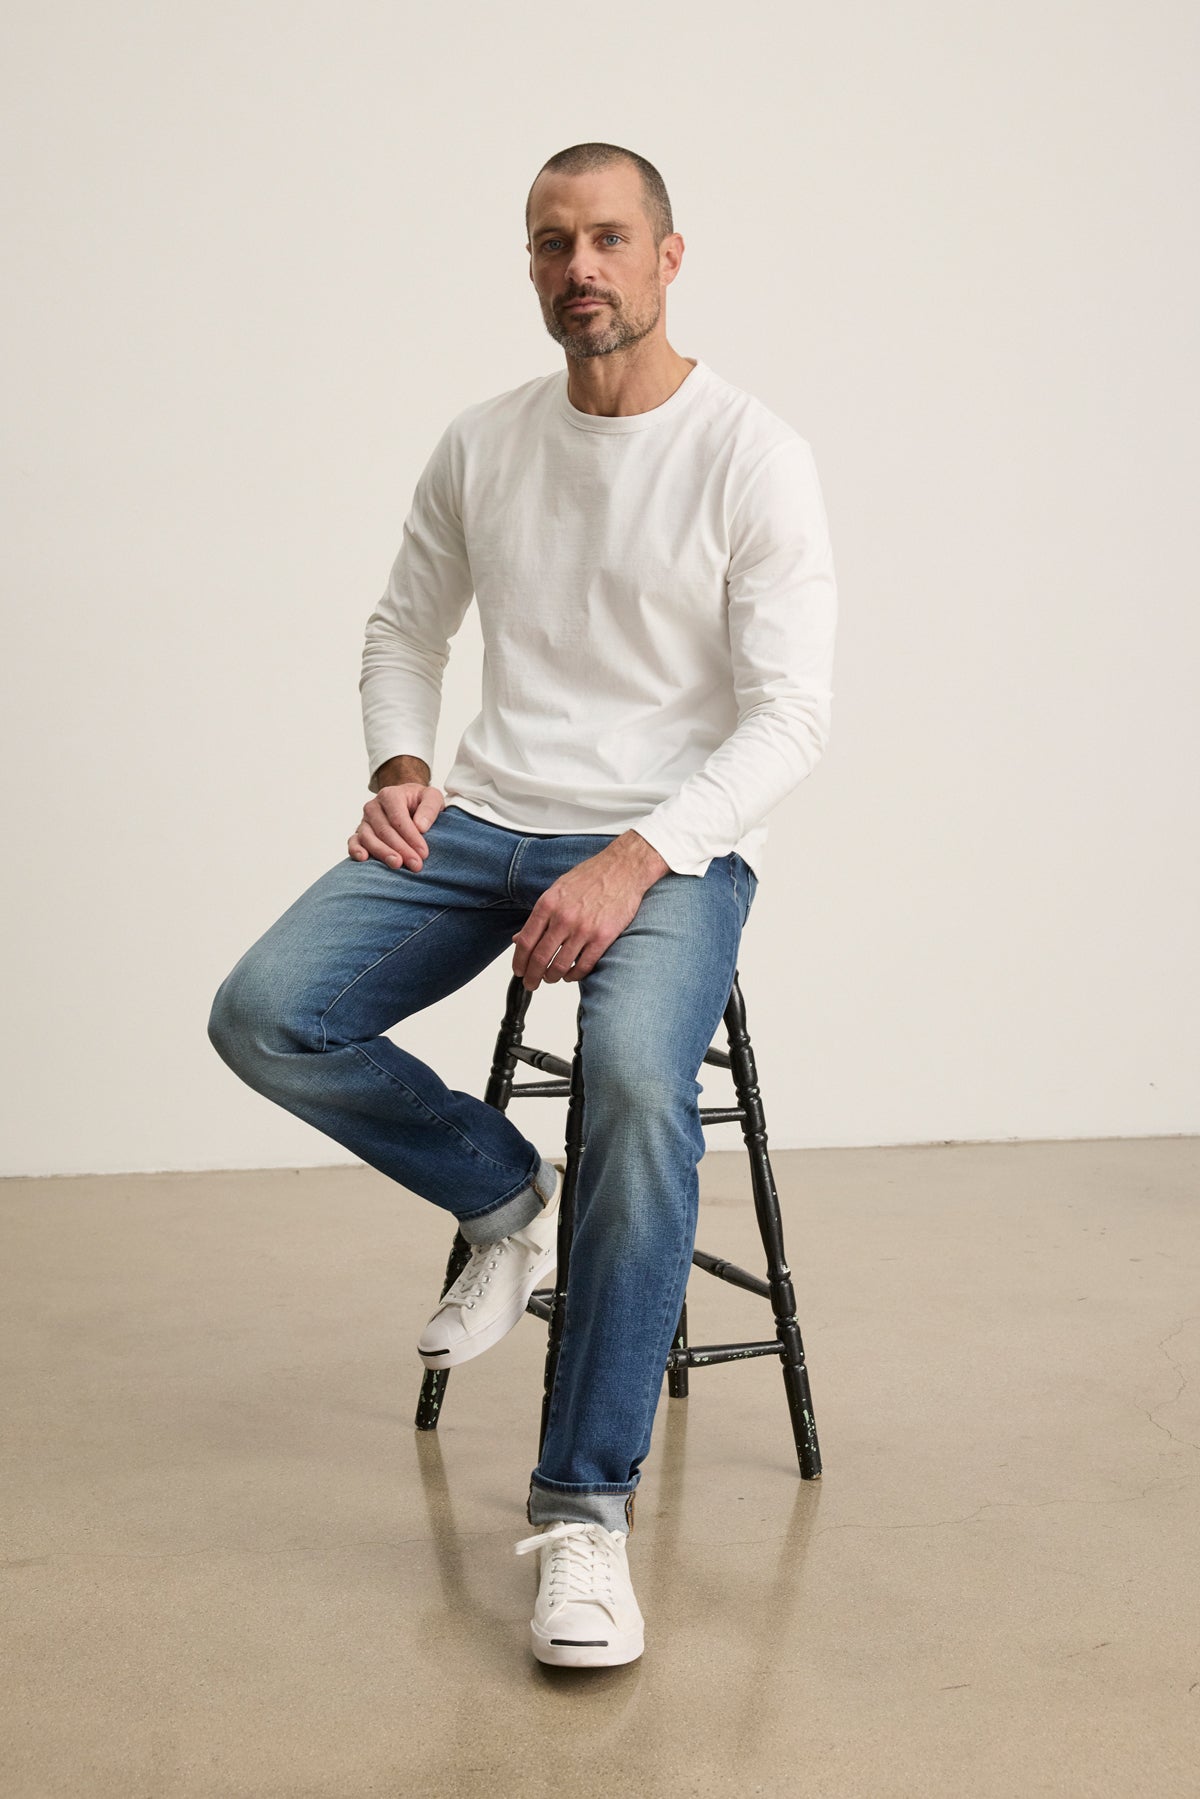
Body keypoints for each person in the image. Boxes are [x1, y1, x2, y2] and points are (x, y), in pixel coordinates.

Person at [207, 140, 838, 1670]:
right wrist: (407, 763)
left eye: (611, 240)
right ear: (532, 264)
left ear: (670, 257)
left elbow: (791, 717)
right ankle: (504, 1197)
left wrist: (634, 857)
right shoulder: (484, 443)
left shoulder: (750, 452)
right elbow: (402, 625)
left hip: (670, 845)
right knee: (265, 1012)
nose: (582, 270)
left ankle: (581, 1523)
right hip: (489, 817)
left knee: (631, 1086)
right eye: (554, 244)